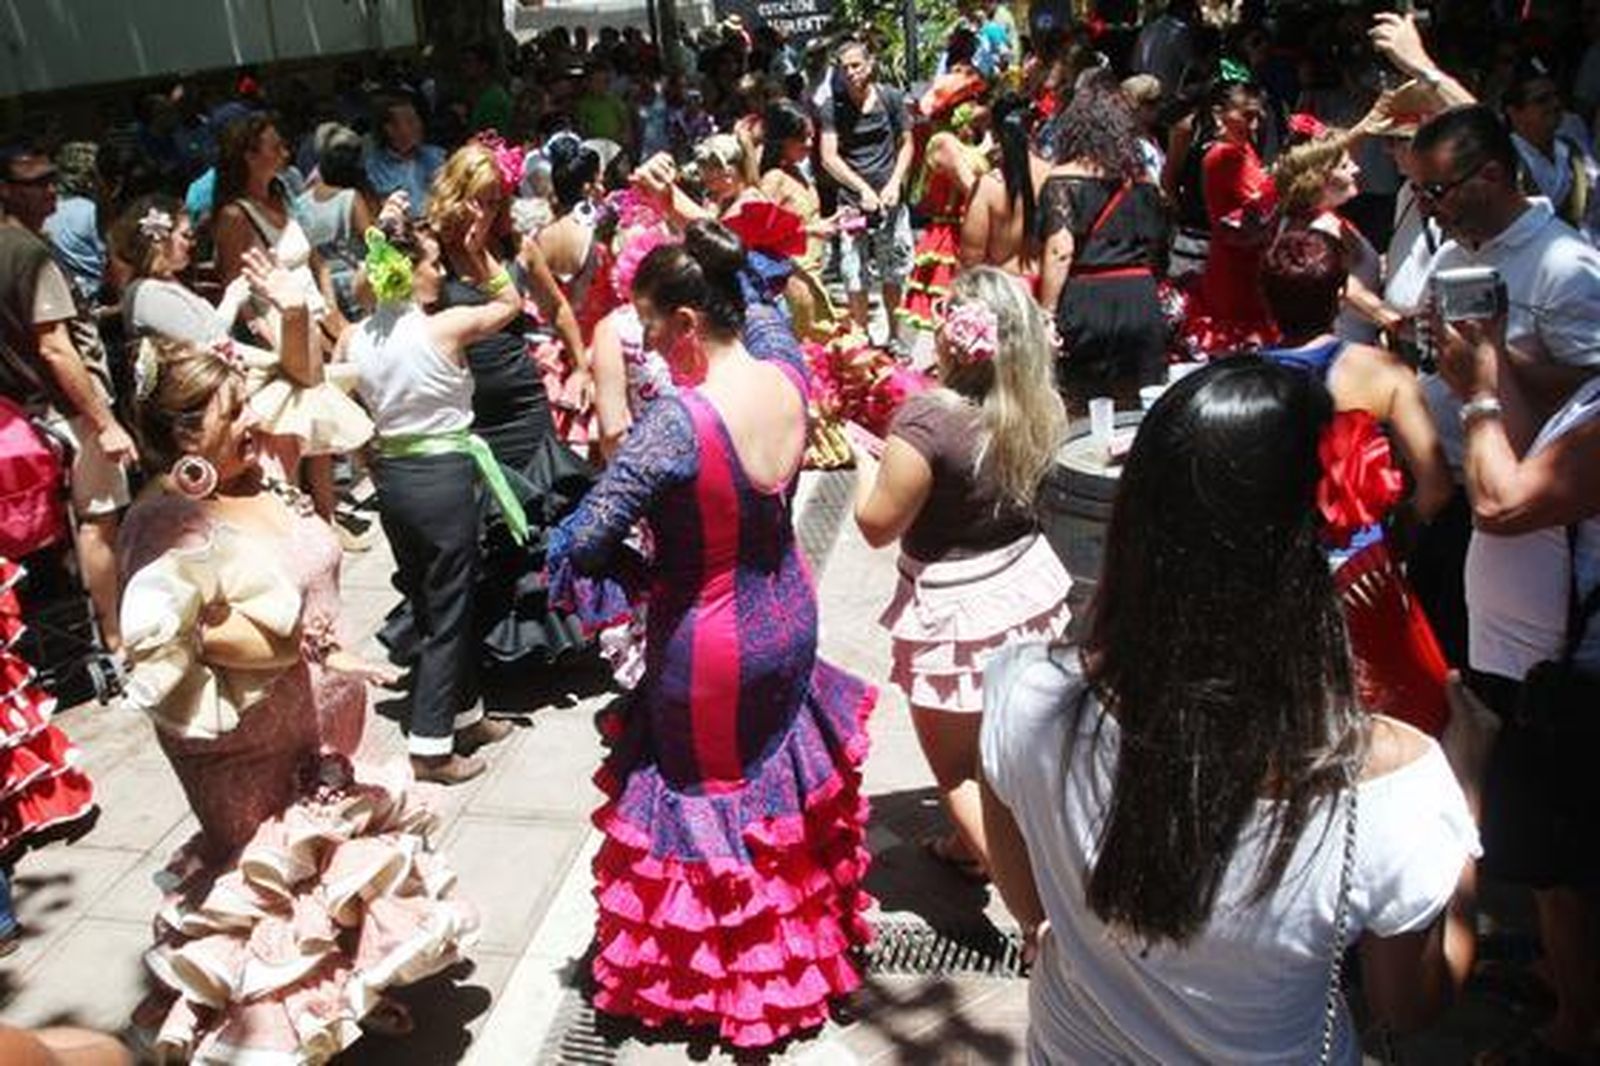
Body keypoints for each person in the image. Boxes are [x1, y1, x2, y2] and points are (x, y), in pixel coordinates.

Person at [980, 358, 1479, 1064]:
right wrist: (1471, 804)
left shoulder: (1024, 693)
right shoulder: (1395, 783)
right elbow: (1413, 1002)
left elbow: (1030, 907)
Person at [117, 267, 478, 1060]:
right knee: (272, 892)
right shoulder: (165, 525)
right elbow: (165, 650)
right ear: (183, 437)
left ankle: (347, 985)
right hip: (248, 749)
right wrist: (280, 650)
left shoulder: (263, 468)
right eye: (230, 410)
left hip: (332, 724)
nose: (252, 418)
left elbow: (301, 388)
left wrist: (292, 312)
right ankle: (274, 1031)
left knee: (340, 869)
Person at [548, 221, 876, 1049]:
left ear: (687, 324)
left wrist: (627, 572)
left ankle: (740, 985)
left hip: (712, 646)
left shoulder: (676, 424)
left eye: (653, 329)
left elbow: (585, 540)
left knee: (712, 803)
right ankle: (805, 945)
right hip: (791, 614)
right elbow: (767, 304)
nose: (648, 348)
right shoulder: (786, 372)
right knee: (780, 791)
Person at [854, 266, 1069, 880]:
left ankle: (1037, 915)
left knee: (956, 773)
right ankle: (969, 846)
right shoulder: (1039, 405)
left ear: (954, 337)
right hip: (1026, 588)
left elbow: (876, 524)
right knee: (1006, 749)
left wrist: (861, 459)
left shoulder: (927, 422)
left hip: (954, 610)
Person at [1437, 315, 1600, 1064]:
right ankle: (1569, 981)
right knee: (1554, 869)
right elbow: (1536, 445)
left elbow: (1502, 504)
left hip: (1574, 687)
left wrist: (1478, 399)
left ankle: (1575, 1030)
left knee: (1564, 870)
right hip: (1546, 673)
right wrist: (1497, 370)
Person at [1407, 105, 1600, 673]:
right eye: (1416, 190)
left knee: (1520, 705)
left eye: (1435, 189)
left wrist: (1491, 369)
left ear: (1490, 176)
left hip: (1534, 529)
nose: (1425, 205)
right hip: (1452, 499)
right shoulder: (1450, 253)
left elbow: (1591, 392)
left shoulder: (1566, 266)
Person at [397, 143, 592, 673]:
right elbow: (400, 319)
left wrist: (580, 369)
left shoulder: (516, 249)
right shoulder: (430, 255)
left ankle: (546, 645)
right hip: (464, 412)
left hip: (524, 403)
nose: (484, 212)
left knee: (539, 520)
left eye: (494, 200)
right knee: (482, 529)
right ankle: (487, 651)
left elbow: (560, 312)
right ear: (454, 197)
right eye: (476, 200)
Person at [347, 213, 524, 784]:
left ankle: (465, 712)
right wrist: (480, 253)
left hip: (395, 481)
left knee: (434, 601)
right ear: (408, 273)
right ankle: (430, 747)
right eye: (432, 263)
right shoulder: (442, 327)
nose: (440, 271)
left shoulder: (359, 335)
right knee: (447, 608)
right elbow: (511, 303)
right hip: (441, 476)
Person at [1259, 230, 1454, 733]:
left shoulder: (1242, 379)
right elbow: (1435, 488)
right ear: (1341, 294)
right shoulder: (1384, 373)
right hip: (1365, 572)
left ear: (1268, 297)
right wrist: (1400, 533)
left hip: (1275, 575)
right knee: (1400, 723)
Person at [0, 145, 136, 653]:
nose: (51, 188)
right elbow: (55, 347)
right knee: (99, 522)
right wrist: (105, 423)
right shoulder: (27, 254)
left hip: (21, 421)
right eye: (36, 181)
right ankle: (116, 639)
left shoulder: (27, 245)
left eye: (53, 179)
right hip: (60, 413)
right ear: (6, 191)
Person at [1039, 78, 1169, 404]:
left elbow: (1060, 251)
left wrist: (1046, 313)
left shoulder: (1063, 179)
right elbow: (1157, 245)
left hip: (1087, 297)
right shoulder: (1145, 180)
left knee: (1084, 402)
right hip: (1140, 296)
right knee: (1136, 402)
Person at [818, 38, 916, 351]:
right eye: (844, 67)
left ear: (870, 64)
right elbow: (828, 156)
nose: (851, 73)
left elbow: (907, 144)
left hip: (890, 201)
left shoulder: (891, 98)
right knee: (852, 271)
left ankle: (896, 334)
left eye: (856, 65)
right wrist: (860, 188)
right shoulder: (832, 107)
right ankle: (862, 337)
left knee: (894, 270)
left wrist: (894, 183)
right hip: (852, 205)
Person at [1272, 122, 1402, 345]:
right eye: (1344, 166)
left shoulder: (1325, 218)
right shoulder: (1318, 231)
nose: (1356, 169)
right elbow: (1348, 290)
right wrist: (1401, 325)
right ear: (1318, 178)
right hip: (1344, 347)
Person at [1184, 75, 1279, 355]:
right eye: (1246, 115)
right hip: (1233, 263)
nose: (1254, 124)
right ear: (1219, 114)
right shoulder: (1224, 156)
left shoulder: (1244, 149)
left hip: (1252, 258)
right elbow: (1262, 201)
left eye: (1258, 116)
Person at [897, 67, 990, 336]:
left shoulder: (960, 143)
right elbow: (970, 186)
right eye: (973, 102)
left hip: (969, 226)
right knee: (953, 308)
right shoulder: (943, 142)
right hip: (951, 232)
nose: (979, 107)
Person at [757, 99, 840, 340]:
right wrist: (812, 231)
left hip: (812, 277)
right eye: (803, 138)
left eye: (811, 136)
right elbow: (761, 234)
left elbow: (805, 219)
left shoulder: (797, 172)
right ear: (783, 140)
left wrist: (834, 221)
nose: (810, 144)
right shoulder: (774, 179)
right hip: (792, 282)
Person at [1502, 56, 1599, 241]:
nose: (1554, 105)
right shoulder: (1504, 160)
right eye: (1541, 100)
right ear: (1514, 112)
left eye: (1555, 96)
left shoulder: (1573, 151)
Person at [961, 91, 1051, 289]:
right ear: (1034, 127)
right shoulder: (1054, 177)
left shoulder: (989, 186)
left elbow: (971, 259)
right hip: (1046, 289)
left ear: (994, 132)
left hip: (1004, 293)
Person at [365, 95, 447, 218]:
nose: (418, 126)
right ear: (389, 129)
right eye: (410, 121)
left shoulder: (438, 156)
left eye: (417, 120)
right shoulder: (374, 167)